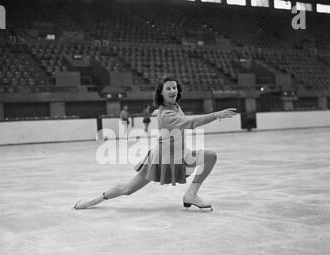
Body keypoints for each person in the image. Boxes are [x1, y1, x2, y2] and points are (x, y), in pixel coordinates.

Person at [74, 75, 237, 210]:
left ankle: (191, 195)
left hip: (181, 154)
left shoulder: (174, 106)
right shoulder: (166, 114)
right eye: (168, 88)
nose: (173, 90)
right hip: (162, 159)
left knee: (211, 156)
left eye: (174, 87)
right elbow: (190, 123)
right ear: (161, 93)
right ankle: (95, 200)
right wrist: (215, 115)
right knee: (129, 189)